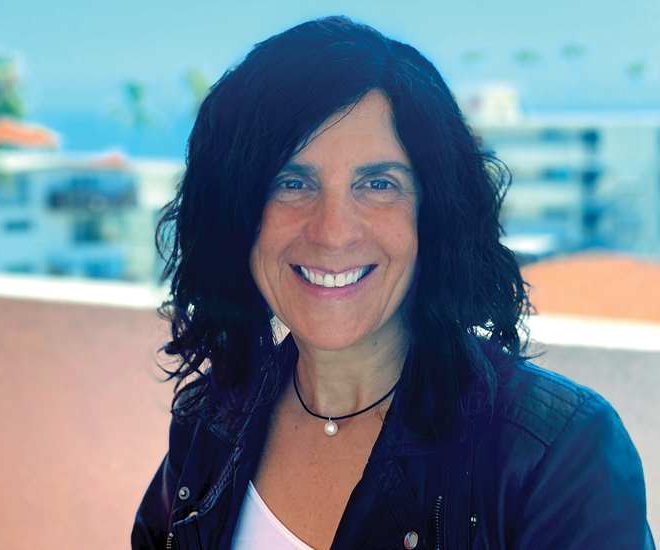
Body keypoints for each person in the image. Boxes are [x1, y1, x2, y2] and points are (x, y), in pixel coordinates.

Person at [132, 16, 654, 550]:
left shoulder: (559, 455)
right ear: (236, 216)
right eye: (291, 182)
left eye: (378, 184)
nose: (332, 231)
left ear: (435, 214)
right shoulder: (209, 423)